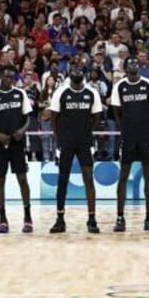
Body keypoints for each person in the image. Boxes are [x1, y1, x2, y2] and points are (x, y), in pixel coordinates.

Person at [47, 64, 103, 234]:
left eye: (80, 70)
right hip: (66, 142)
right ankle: (60, 219)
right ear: (69, 74)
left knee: (88, 178)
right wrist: (61, 136)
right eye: (74, 70)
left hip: (85, 141)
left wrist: (86, 132)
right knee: (62, 178)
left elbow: (96, 117)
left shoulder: (91, 93)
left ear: (84, 74)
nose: (77, 72)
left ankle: (92, 219)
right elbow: (53, 117)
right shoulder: (60, 93)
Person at [0, 66, 34, 234]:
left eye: (13, 77)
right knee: (0, 179)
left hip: (18, 144)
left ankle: (28, 217)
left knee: (22, 179)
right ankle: (2, 218)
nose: (10, 80)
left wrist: (22, 130)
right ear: (1, 76)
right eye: (7, 77)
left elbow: (28, 118)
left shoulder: (20, 94)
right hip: (0, 145)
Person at [109, 56, 149, 232]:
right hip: (128, 136)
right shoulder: (119, 86)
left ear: (139, 67)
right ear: (125, 69)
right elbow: (117, 112)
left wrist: (145, 126)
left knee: (148, 175)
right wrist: (127, 128)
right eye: (130, 65)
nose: (133, 67)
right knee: (123, 175)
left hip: (145, 135)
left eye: (135, 65)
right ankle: (120, 218)